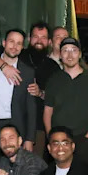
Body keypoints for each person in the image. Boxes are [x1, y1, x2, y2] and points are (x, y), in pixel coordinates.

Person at [0, 29, 36, 173]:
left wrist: (29, 138)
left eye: (19, 43)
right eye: (11, 41)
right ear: (3, 43)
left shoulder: (27, 72)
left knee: (14, 172)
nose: (14, 46)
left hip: (15, 126)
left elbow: (30, 107)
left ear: (22, 47)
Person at [43, 38, 88, 165]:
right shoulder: (54, 80)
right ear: (60, 55)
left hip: (85, 138)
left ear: (79, 54)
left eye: (74, 50)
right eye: (65, 51)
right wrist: (51, 137)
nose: (70, 54)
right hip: (59, 139)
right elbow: (47, 111)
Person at [23, 22, 63, 153]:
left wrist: (40, 93)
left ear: (49, 41)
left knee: (34, 166)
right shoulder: (20, 57)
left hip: (39, 126)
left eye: (43, 37)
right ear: (29, 39)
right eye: (35, 36)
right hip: (15, 122)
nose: (39, 41)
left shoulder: (53, 67)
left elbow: (59, 98)